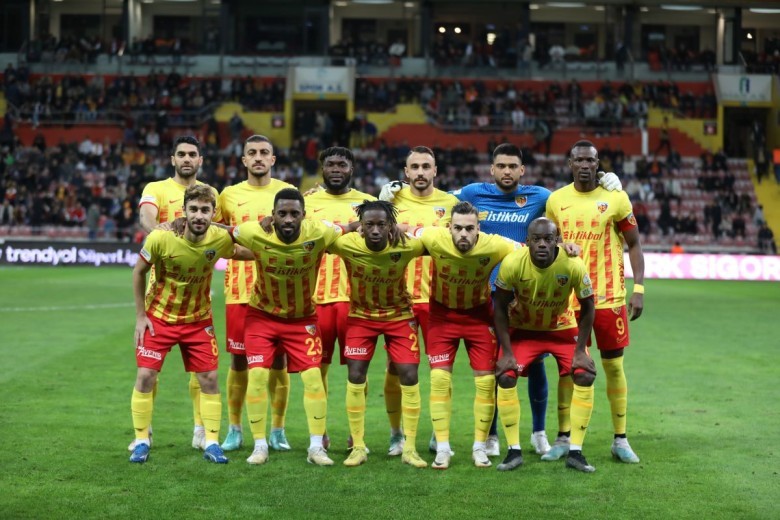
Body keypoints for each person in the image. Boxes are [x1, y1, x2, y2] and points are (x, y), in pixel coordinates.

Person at [383, 143, 621, 457]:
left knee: (535, 363)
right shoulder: (472, 193)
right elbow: (431, 195)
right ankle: (491, 435)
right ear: (492, 169)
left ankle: (538, 432)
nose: (507, 171)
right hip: (486, 294)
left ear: (522, 170)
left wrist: (605, 179)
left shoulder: (540, 196)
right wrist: (394, 194)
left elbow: (571, 198)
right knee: (497, 366)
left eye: (512, 166)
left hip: (524, 293)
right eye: (501, 166)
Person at [129, 184, 253, 464]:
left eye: (205, 210)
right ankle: (141, 440)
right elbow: (138, 272)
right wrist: (140, 316)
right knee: (145, 376)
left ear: (213, 213)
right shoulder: (160, 238)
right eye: (194, 209)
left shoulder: (219, 239)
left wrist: (274, 250)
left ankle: (212, 442)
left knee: (209, 379)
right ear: (183, 210)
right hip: (159, 318)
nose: (199, 215)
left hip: (198, 321)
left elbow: (246, 251)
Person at [546, 140, 645, 464]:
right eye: (579, 160)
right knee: (568, 369)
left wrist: (639, 288)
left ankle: (620, 439)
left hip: (609, 297)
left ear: (597, 163)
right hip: (569, 299)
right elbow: (550, 243)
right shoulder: (556, 200)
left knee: (613, 366)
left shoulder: (616, 197)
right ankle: (564, 437)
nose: (585, 165)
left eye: (590, 160)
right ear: (570, 163)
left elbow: (634, 243)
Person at [230, 188, 346, 466]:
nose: (288, 219)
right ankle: (260, 446)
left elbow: (351, 227)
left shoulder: (319, 232)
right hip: (261, 317)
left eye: (295, 213)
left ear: (304, 215)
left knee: (313, 378)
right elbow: (223, 233)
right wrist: (184, 224)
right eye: (282, 213)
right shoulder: (254, 232)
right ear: (272, 215)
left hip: (302, 319)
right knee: (257, 376)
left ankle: (316, 448)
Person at [133, 135, 222, 453]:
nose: (186, 159)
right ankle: (144, 430)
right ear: (173, 159)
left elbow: (219, 231)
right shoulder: (156, 188)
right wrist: (161, 232)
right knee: (149, 371)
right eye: (181, 154)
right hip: (161, 290)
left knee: (203, 372)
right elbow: (146, 216)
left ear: (200, 160)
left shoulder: (211, 193)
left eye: (192, 154)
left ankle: (201, 429)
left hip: (198, 294)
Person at [414, 201, 519, 469]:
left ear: (478, 229)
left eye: (469, 229)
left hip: (479, 317)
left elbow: (528, 253)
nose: (463, 234)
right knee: (439, 380)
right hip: (442, 317)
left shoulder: (495, 244)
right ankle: (443, 448)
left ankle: (479, 448)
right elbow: (403, 231)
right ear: (449, 227)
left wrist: (563, 247)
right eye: (458, 228)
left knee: (485, 383)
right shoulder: (434, 237)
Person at [493, 217, 597, 473]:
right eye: (536, 239)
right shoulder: (513, 263)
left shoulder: (572, 264)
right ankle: (513, 451)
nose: (542, 244)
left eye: (548, 239)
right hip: (524, 329)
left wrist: (581, 351)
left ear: (556, 241)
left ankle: (576, 452)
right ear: (527, 241)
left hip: (561, 328)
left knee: (585, 374)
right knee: (505, 376)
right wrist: (506, 352)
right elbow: (499, 308)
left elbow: (588, 306)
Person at [330, 200, 429, 468]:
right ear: (361, 227)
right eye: (369, 225)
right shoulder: (347, 244)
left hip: (399, 317)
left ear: (390, 226)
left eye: (381, 225)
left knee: (409, 375)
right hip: (361, 318)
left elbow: (435, 240)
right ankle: (358, 447)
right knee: (355, 375)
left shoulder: (406, 246)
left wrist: (408, 229)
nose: (375, 230)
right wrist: (348, 226)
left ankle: (409, 448)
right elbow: (317, 234)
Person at [379, 146, 459, 457]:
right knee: (395, 368)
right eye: (415, 167)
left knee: (441, 370)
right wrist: (384, 205)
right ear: (406, 172)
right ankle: (395, 434)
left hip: (439, 300)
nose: (421, 172)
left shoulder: (450, 204)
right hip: (400, 301)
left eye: (427, 166)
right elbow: (373, 232)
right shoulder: (393, 202)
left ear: (435, 171)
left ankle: (440, 434)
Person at [217, 135, 296, 453]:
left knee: (279, 361)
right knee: (239, 361)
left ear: (273, 159)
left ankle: (277, 429)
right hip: (239, 291)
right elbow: (218, 237)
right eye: (252, 152)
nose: (259, 157)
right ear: (244, 160)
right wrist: (258, 252)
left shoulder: (287, 192)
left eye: (264, 152)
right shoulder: (229, 195)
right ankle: (235, 428)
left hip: (279, 293)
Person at [305, 146, 376, 450]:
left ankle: (355, 435)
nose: (336, 169)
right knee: (315, 371)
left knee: (357, 371)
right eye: (330, 164)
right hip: (315, 299)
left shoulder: (368, 204)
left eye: (342, 164)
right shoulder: (307, 203)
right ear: (322, 169)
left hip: (355, 301)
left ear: (352, 169)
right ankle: (319, 433)